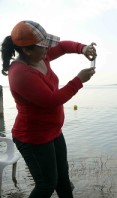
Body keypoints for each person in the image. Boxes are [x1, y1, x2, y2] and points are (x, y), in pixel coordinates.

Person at [1, 20, 97, 198]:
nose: (47, 49)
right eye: (43, 46)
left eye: (47, 45)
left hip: (53, 132)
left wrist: (82, 48)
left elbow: (62, 47)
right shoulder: (21, 73)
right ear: (27, 50)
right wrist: (78, 81)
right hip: (33, 137)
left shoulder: (39, 55)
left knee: (62, 178)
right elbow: (51, 101)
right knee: (46, 184)